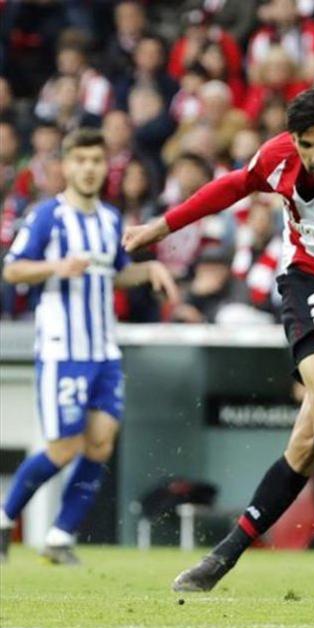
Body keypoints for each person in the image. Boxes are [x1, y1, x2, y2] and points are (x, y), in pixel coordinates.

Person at [121, 89, 314, 591]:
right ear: (294, 141)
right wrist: (163, 226)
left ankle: (222, 558)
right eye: (307, 145)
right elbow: (234, 186)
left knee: (306, 443)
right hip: (307, 278)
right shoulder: (279, 157)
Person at [0, 129, 178, 564]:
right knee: (64, 447)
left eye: (96, 160)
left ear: (104, 166)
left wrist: (149, 267)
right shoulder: (48, 216)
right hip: (63, 349)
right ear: (66, 165)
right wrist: (56, 266)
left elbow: (114, 273)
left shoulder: (110, 220)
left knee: (100, 443)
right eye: (80, 160)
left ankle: (61, 536)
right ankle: (4, 518)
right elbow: (13, 271)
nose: (89, 168)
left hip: (103, 350)